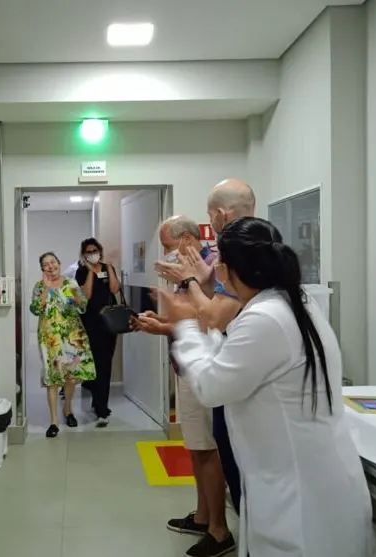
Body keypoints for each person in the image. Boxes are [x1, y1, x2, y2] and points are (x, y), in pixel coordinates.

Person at [161, 217, 376, 557]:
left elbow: (211, 385)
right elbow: (232, 354)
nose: (215, 273)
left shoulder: (266, 318)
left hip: (301, 499)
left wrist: (185, 326)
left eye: (219, 266)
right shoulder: (286, 303)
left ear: (234, 271)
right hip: (302, 482)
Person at [134, 215, 236, 557]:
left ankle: (219, 531)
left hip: (204, 369)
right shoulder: (187, 276)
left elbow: (204, 322)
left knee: (207, 448)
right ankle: (203, 515)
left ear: (189, 240)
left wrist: (164, 327)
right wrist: (160, 320)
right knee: (195, 446)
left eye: (169, 247)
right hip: (188, 366)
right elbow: (185, 317)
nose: (167, 255)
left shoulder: (211, 270)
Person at [156, 178, 256, 514]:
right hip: (222, 370)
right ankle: (210, 520)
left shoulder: (237, 257)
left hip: (223, 371)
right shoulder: (227, 264)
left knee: (221, 453)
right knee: (213, 451)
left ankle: (217, 527)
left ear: (220, 215)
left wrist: (187, 286)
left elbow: (213, 318)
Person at [29, 251, 96, 438]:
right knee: (52, 378)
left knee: (70, 377)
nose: (50, 266)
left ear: (59, 263)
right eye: (46, 264)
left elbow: (82, 306)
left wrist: (76, 298)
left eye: (53, 262)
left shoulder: (70, 283)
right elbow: (36, 309)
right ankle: (53, 422)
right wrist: (45, 288)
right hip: (50, 338)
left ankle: (67, 410)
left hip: (72, 335)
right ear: (42, 269)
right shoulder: (39, 286)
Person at [74, 238, 120, 427]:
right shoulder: (81, 271)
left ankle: (101, 404)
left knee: (106, 363)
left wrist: (108, 267)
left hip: (109, 323)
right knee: (95, 363)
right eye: (88, 251)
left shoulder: (108, 267)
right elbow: (86, 295)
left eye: (95, 250)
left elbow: (115, 289)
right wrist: (91, 272)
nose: (92, 253)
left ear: (100, 251)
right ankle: (100, 406)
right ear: (84, 254)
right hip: (91, 323)